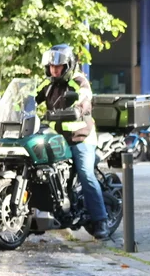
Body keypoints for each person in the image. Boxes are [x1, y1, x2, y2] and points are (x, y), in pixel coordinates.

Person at [35, 44, 110, 238]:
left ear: (67, 65)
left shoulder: (79, 81)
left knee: (86, 174)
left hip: (81, 138)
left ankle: (101, 220)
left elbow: (85, 97)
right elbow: (30, 97)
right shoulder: (48, 84)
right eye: (51, 66)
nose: (54, 70)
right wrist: (14, 105)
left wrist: (78, 108)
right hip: (58, 140)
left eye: (58, 66)